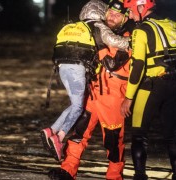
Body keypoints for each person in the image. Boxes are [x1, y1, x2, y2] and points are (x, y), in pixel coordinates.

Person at [48, 0, 133, 179]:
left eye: (118, 15)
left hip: (113, 98)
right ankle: (67, 170)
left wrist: (100, 43)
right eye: (110, 12)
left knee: (112, 141)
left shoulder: (127, 37)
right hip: (92, 93)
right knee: (78, 133)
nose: (112, 16)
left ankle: (114, 175)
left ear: (125, 18)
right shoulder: (96, 31)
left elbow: (112, 63)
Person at [121, 0, 176, 180]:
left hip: (149, 86)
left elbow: (138, 66)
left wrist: (128, 97)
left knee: (138, 135)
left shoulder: (141, 30)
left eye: (130, 10)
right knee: (172, 135)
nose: (129, 15)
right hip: (173, 85)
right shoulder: (173, 25)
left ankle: (140, 176)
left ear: (141, 7)